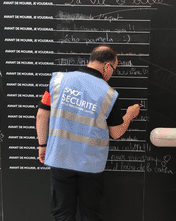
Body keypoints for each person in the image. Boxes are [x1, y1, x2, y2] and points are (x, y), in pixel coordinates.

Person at [36, 45, 140, 220]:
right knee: (91, 214)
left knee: (62, 214)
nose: (112, 73)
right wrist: (129, 115)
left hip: (60, 158)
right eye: (114, 68)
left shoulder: (58, 81)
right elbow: (116, 133)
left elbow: (41, 115)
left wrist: (42, 145)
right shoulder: (109, 94)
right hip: (90, 165)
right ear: (107, 66)